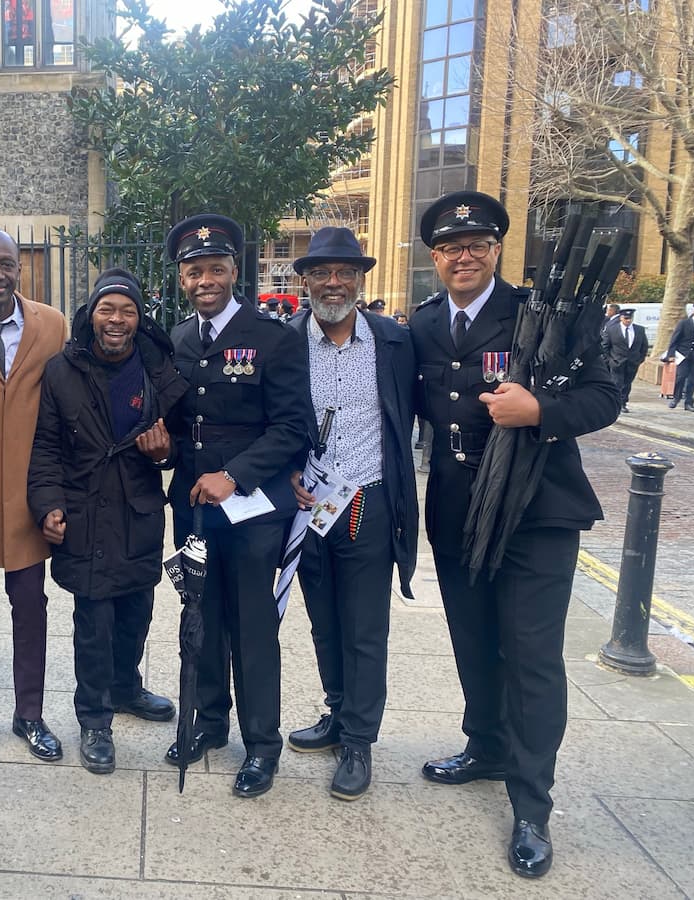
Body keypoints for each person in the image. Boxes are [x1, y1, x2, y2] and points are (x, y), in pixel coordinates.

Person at [409, 191, 619, 878]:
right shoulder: (423, 323)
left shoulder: (541, 314)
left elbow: (604, 392)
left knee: (531, 658)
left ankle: (532, 805)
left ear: (497, 249)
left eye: (475, 244)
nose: (462, 256)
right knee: (475, 643)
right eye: (448, 247)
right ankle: (486, 747)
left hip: (535, 513)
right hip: (456, 512)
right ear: (435, 258)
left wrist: (540, 410)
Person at [0, 229, 160, 764]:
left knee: (29, 607)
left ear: (19, 269)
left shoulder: (51, 325)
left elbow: (90, 379)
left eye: (6, 264)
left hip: (28, 496)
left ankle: (29, 713)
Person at [162, 214, 314, 798]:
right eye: (194, 271)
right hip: (194, 506)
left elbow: (292, 427)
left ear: (233, 272)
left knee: (251, 624)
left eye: (216, 269)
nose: (205, 279)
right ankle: (208, 723)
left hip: (252, 506)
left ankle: (261, 745)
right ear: (183, 278)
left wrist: (234, 474)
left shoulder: (274, 337)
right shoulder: (174, 341)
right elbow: (177, 424)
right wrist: (162, 449)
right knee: (199, 613)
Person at [27, 268, 187, 774]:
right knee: (93, 623)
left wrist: (165, 455)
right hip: (85, 511)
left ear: (140, 320)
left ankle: (125, 688)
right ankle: (94, 719)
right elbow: (45, 448)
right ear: (91, 315)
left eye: (127, 311)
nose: (116, 319)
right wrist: (47, 504)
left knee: (136, 614)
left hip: (138, 510)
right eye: (107, 309)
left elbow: (185, 443)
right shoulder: (61, 371)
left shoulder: (161, 370)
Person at [284, 227, 418, 801]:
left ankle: (360, 740)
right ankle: (338, 714)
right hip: (310, 507)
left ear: (360, 280)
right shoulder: (286, 341)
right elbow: (275, 416)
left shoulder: (393, 341)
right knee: (324, 622)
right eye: (322, 272)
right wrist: (285, 469)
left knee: (365, 628)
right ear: (306, 280)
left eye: (345, 272)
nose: (333, 282)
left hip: (367, 500)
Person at [601, 307, 650, 411]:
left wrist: (639, 359)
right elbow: (605, 346)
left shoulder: (639, 330)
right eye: (626, 318)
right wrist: (609, 360)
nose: (628, 320)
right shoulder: (612, 329)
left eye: (630, 318)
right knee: (617, 383)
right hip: (616, 362)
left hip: (632, 363)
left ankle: (623, 402)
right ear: (621, 318)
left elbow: (644, 346)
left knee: (627, 384)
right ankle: (615, 403)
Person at [662, 304, 694, 411]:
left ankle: (689, 402)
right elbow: (674, 339)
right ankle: (676, 398)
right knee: (681, 377)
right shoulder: (684, 323)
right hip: (683, 355)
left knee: (692, 380)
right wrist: (670, 355)